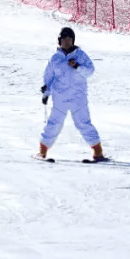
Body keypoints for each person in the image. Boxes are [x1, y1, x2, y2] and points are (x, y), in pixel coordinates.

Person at [38, 27, 107, 163]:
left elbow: (90, 70)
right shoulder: (55, 58)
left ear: (73, 40)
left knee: (83, 123)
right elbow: (49, 78)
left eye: (69, 39)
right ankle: (42, 152)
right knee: (54, 123)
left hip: (78, 97)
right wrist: (46, 92)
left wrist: (77, 67)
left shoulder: (80, 55)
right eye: (64, 40)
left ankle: (98, 152)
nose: (67, 42)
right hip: (60, 98)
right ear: (60, 41)